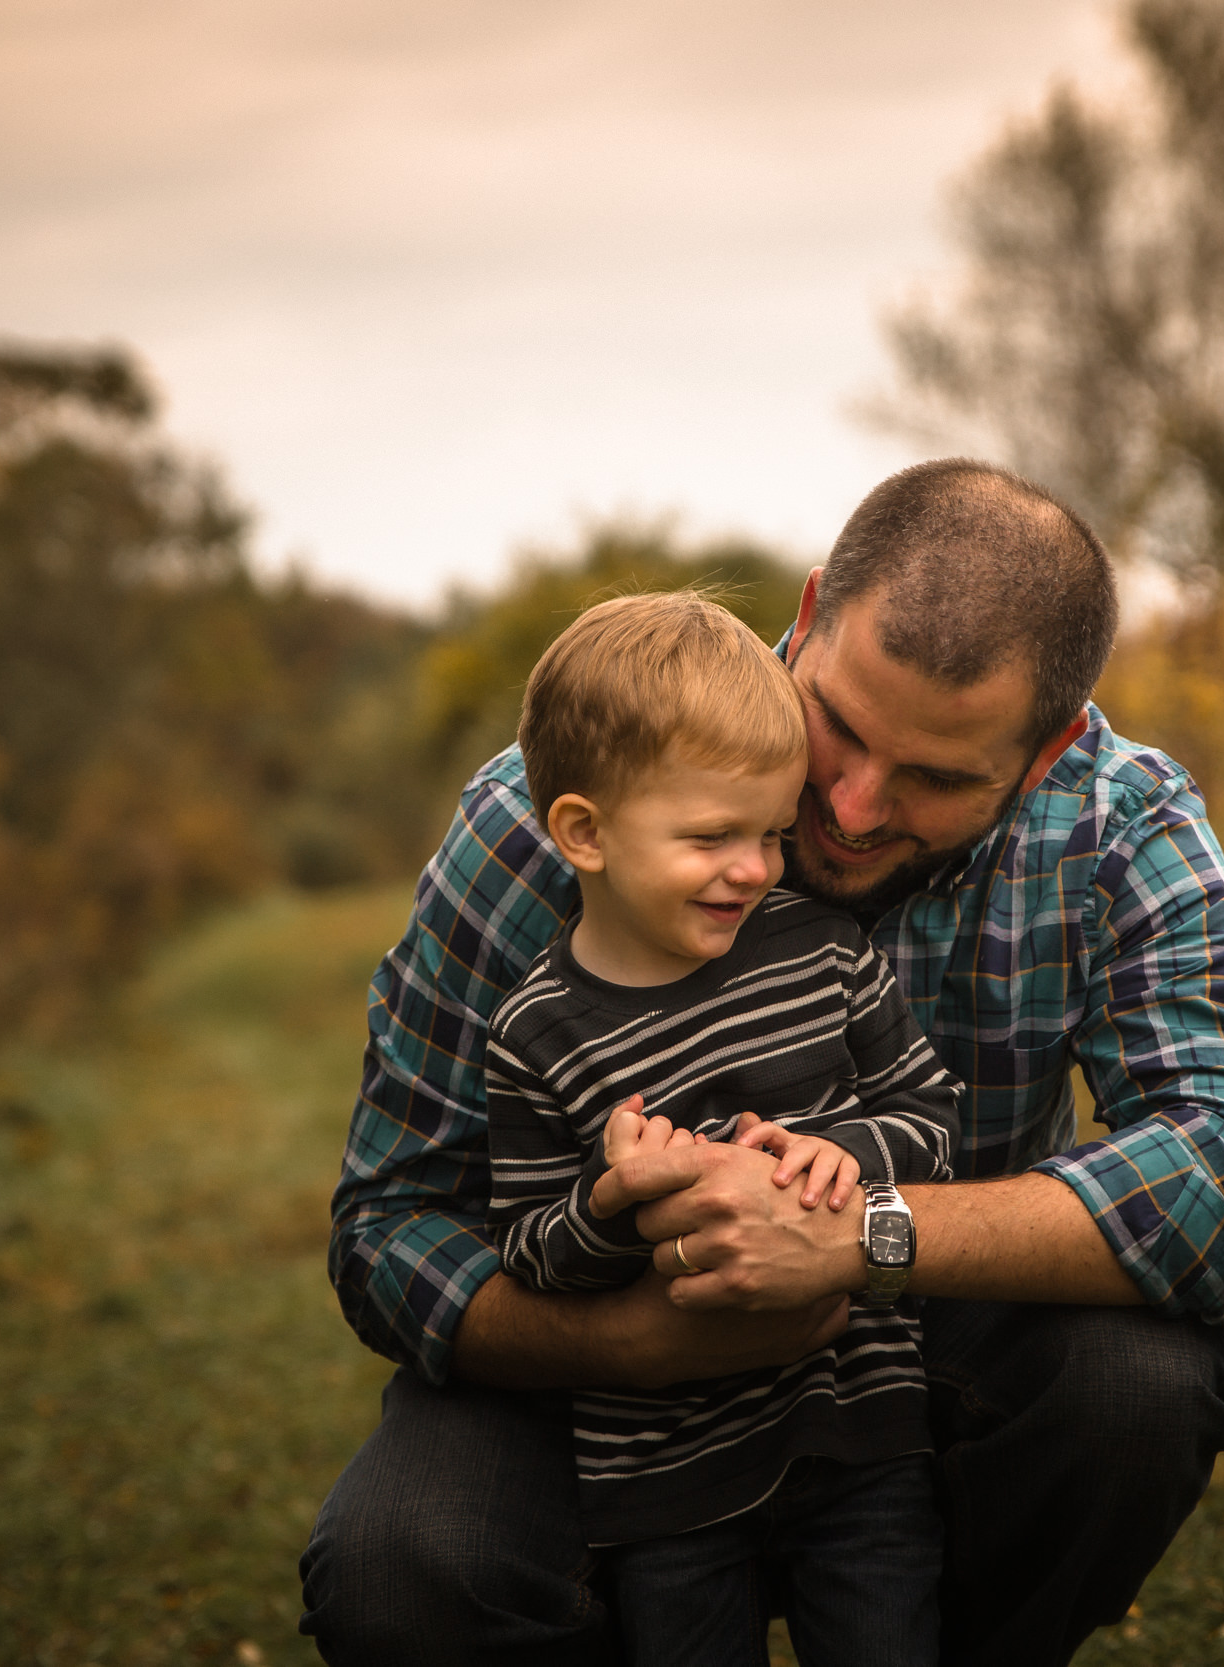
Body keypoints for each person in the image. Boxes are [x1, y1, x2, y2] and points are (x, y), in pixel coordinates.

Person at [306, 459, 1224, 1667]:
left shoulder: (1119, 825)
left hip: (912, 1345)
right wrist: (631, 1341)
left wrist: (863, 1234)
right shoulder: (552, 815)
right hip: (601, 1380)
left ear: (1047, 749)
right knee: (399, 1565)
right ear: (803, 620)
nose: (844, 804)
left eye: (937, 777)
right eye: (835, 721)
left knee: (1132, 1388)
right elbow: (388, 1221)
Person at [486, 590, 959, 1665]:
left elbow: (931, 1114)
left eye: (769, 831)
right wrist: (610, 1206)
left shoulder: (824, 950)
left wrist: (852, 1153)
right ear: (584, 831)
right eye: (710, 837)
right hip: (665, 1479)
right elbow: (524, 1247)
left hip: (861, 1439)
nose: (753, 866)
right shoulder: (537, 1030)